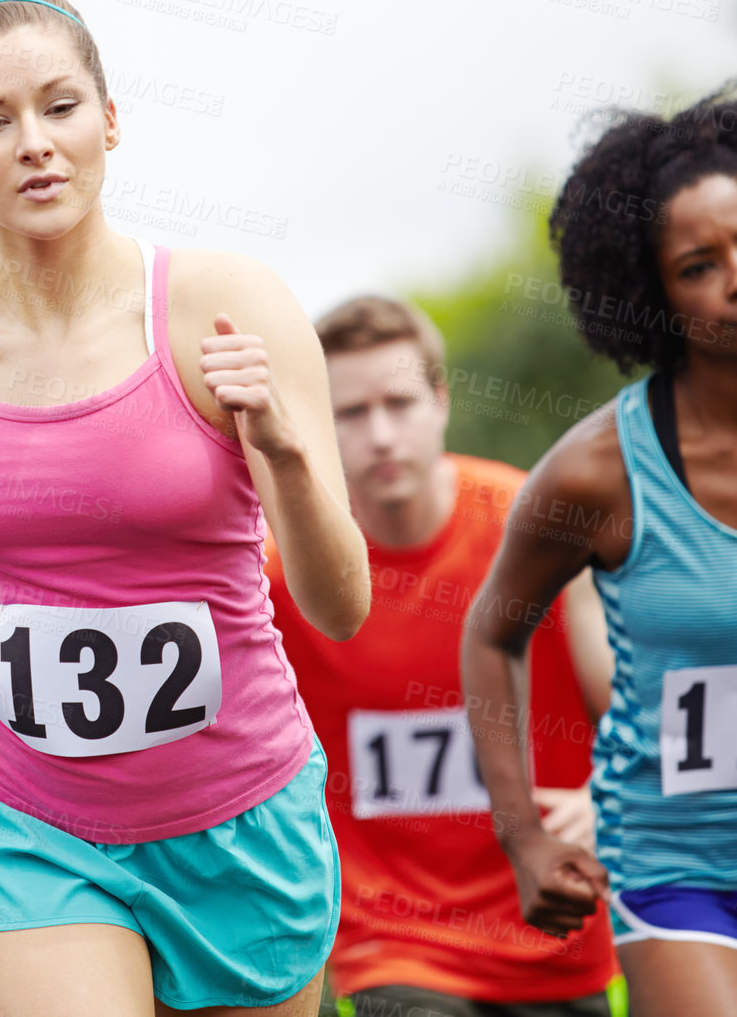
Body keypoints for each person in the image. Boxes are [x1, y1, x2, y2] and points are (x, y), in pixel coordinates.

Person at [0, 0, 372, 1016]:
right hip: (19, 815)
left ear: (110, 119)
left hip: (237, 811)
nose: (35, 142)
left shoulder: (227, 308)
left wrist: (287, 456)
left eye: (61, 105)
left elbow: (343, 605)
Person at [262, 296, 621, 1016]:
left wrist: (599, 796)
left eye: (399, 401)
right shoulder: (283, 575)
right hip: (389, 942)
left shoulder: (539, 529)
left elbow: (629, 702)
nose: (382, 433)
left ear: (440, 401)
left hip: (552, 921)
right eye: (351, 412)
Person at [463, 87, 737, 1017]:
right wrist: (525, 839)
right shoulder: (599, 472)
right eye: (702, 265)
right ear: (652, 292)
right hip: (677, 862)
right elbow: (491, 636)